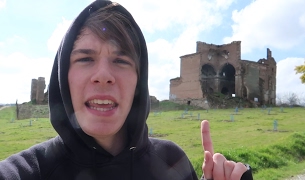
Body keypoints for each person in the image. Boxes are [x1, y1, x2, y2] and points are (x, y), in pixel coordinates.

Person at [0, 1, 252, 179]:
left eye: (121, 61)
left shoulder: (173, 162)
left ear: (139, 82)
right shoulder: (26, 172)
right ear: (63, 76)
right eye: (85, 59)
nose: (103, 76)